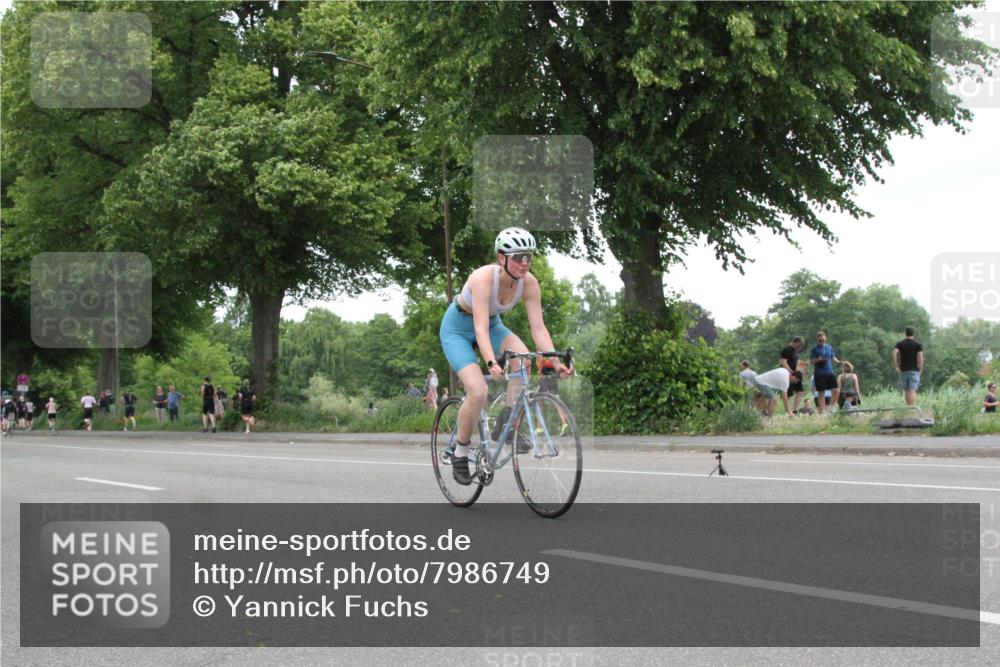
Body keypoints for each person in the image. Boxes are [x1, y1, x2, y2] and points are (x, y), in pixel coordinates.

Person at [438, 227, 570, 486]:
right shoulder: (483, 278)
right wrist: (491, 362)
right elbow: (479, 329)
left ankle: (508, 424)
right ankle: (460, 452)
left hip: (492, 325)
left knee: (524, 360)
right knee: (478, 392)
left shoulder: (529, 283)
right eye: (518, 256)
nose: (524, 263)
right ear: (502, 257)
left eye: (529, 257)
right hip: (458, 328)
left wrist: (554, 362)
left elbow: (538, 328)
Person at [810, 330, 841, 413]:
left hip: (829, 372)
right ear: (817, 340)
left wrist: (839, 362)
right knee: (821, 393)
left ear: (826, 339)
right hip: (819, 373)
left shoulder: (829, 347)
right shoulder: (814, 349)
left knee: (836, 390)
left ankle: (831, 406)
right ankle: (822, 411)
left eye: (823, 340)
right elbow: (811, 361)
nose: (822, 342)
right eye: (820, 340)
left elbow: (833, 357)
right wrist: (818, 359)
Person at [893, 326, 924, 406]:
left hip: (903, 369)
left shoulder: (900, 344)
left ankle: (908, 407)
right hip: (914, 369)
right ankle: (912, 407)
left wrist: (896, 365)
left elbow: (894, 353)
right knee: (912, 389)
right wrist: (921, 369)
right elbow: (920, 357)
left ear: (905, 333)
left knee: (907, 390)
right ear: (913, 333)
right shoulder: (918, 344)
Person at [780, 336, 805, 415]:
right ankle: (788, 411)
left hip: (796, 374)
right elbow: (783, 362)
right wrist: (791, 372)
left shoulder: (795, 351)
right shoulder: (786, 349)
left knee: (800, 391)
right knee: (788, 394)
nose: (799, 348)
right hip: (788, 375)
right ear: (795, 342)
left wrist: (802, 370)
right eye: (799, 345)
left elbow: (797, 362)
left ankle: (795, 411)